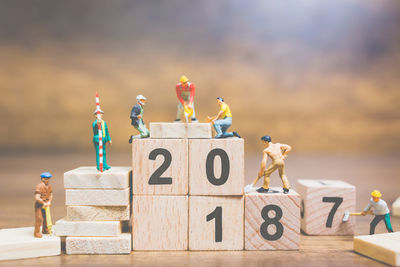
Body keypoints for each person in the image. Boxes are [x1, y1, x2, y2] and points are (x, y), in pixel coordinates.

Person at [34, 172, 53, 238]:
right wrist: (43, 203)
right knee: (39, 218)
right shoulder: (39, 186)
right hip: (40, 205)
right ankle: (36, 232)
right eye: (46, 178)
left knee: (46, 218)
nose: (48, 180)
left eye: (48, 178)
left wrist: (49, 202)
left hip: (46, 204)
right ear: (42, 179)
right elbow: (37, 197)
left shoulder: (49, 186)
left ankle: (45, 230)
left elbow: (51, 195)